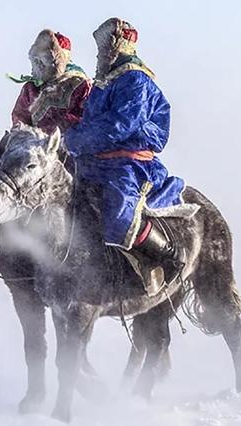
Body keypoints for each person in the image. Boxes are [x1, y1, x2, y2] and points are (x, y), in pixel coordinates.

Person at [65, 18, 185, 288]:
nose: (98, 54)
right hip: (95, 161)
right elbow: (90, 121)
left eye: (102, 47)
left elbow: (119, 125)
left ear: (116, 46)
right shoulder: (102, 83)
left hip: (127, 164)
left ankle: (168, 257)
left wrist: (74, 139)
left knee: (119, 212)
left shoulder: (135, 79)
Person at [9, 30, 92, 134]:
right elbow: (20, 118)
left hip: (68, 143)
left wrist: (63, 128)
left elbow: (87, 117)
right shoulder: (32, 87)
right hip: (35, 144)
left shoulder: (80, 84)